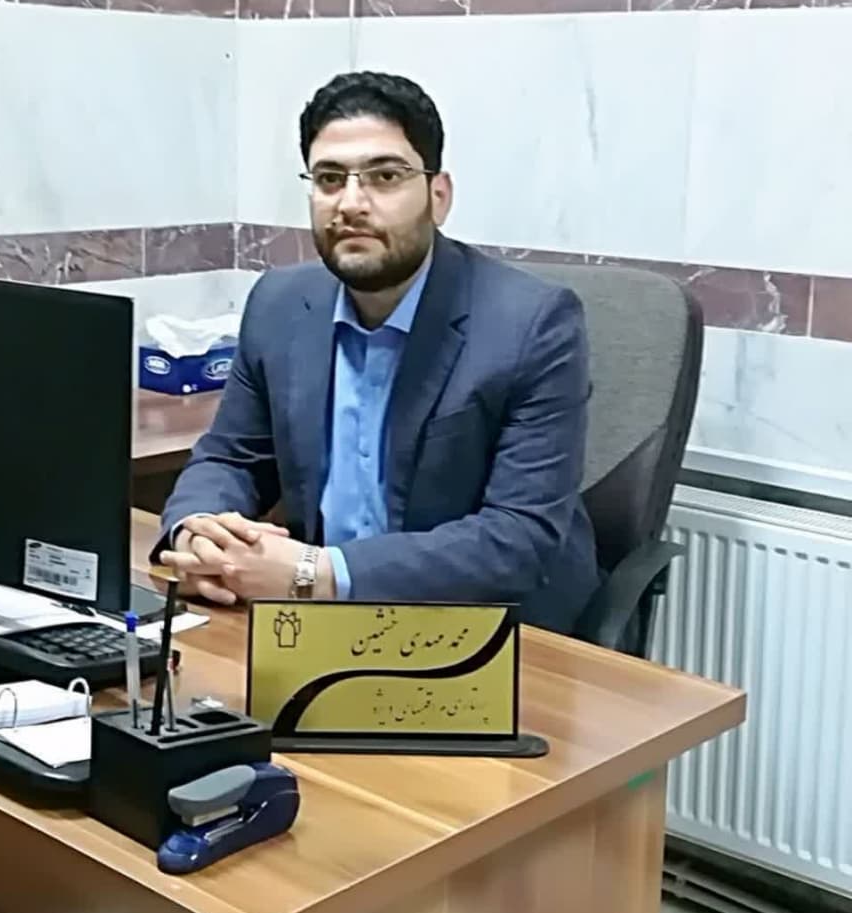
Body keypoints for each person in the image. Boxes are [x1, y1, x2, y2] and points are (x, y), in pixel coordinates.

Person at [156, 71, 599, 634]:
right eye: (329, 178)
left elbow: (519, 538)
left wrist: (317, 573)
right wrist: (197, 533)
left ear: (438, 196)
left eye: (385, 176)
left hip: (486, 629)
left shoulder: (533, 324)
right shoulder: (280, 304)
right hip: (318, 624)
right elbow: (231, 458)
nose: (351, 203)